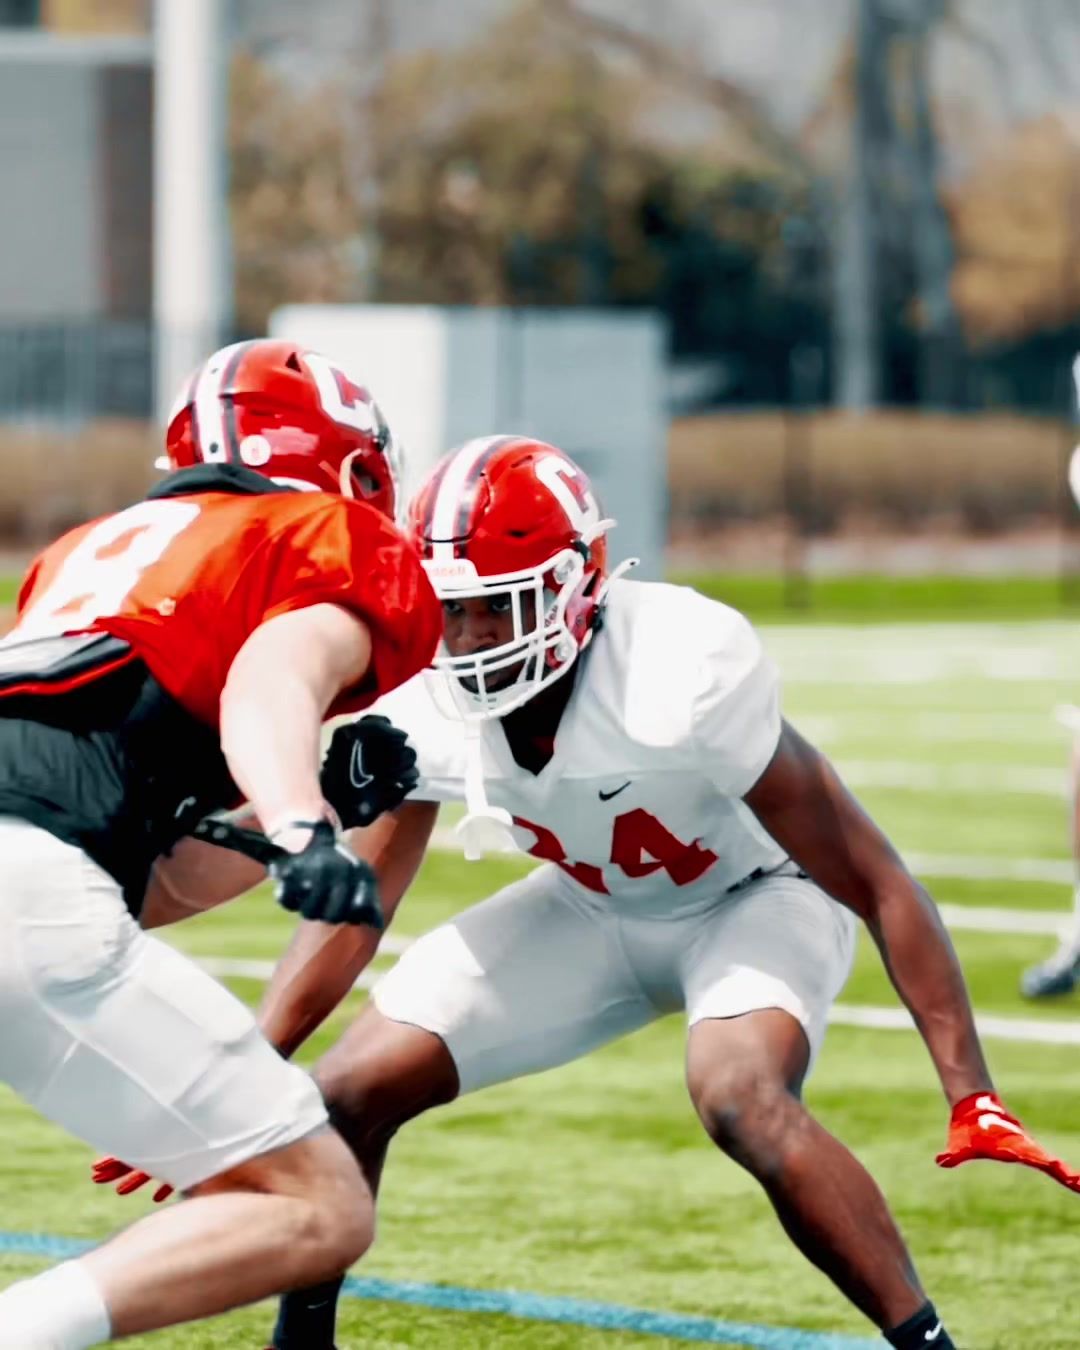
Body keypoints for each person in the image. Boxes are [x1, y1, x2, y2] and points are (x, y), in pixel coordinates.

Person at [103, 436, 1080, 1350]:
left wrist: (973, 1092)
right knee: (345, 1094)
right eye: (452, 609)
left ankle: (927, 1341)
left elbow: (872, 874)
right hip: (588, 906)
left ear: (579, 586)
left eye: (500, 605)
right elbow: (358, 906)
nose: (473, 636)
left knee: (738, 1094)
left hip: (755, 899)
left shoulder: (680, 668)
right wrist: (248, 1068)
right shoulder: (417, 697)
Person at [0, 338, 440, 1348]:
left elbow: (134, 879)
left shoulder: (83, 557)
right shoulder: (319, 533)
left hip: (35, 873)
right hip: (28, 892)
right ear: (349, 464)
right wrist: (297, 818)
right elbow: (273, 680)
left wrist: (289, 811)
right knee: (318, 1204)